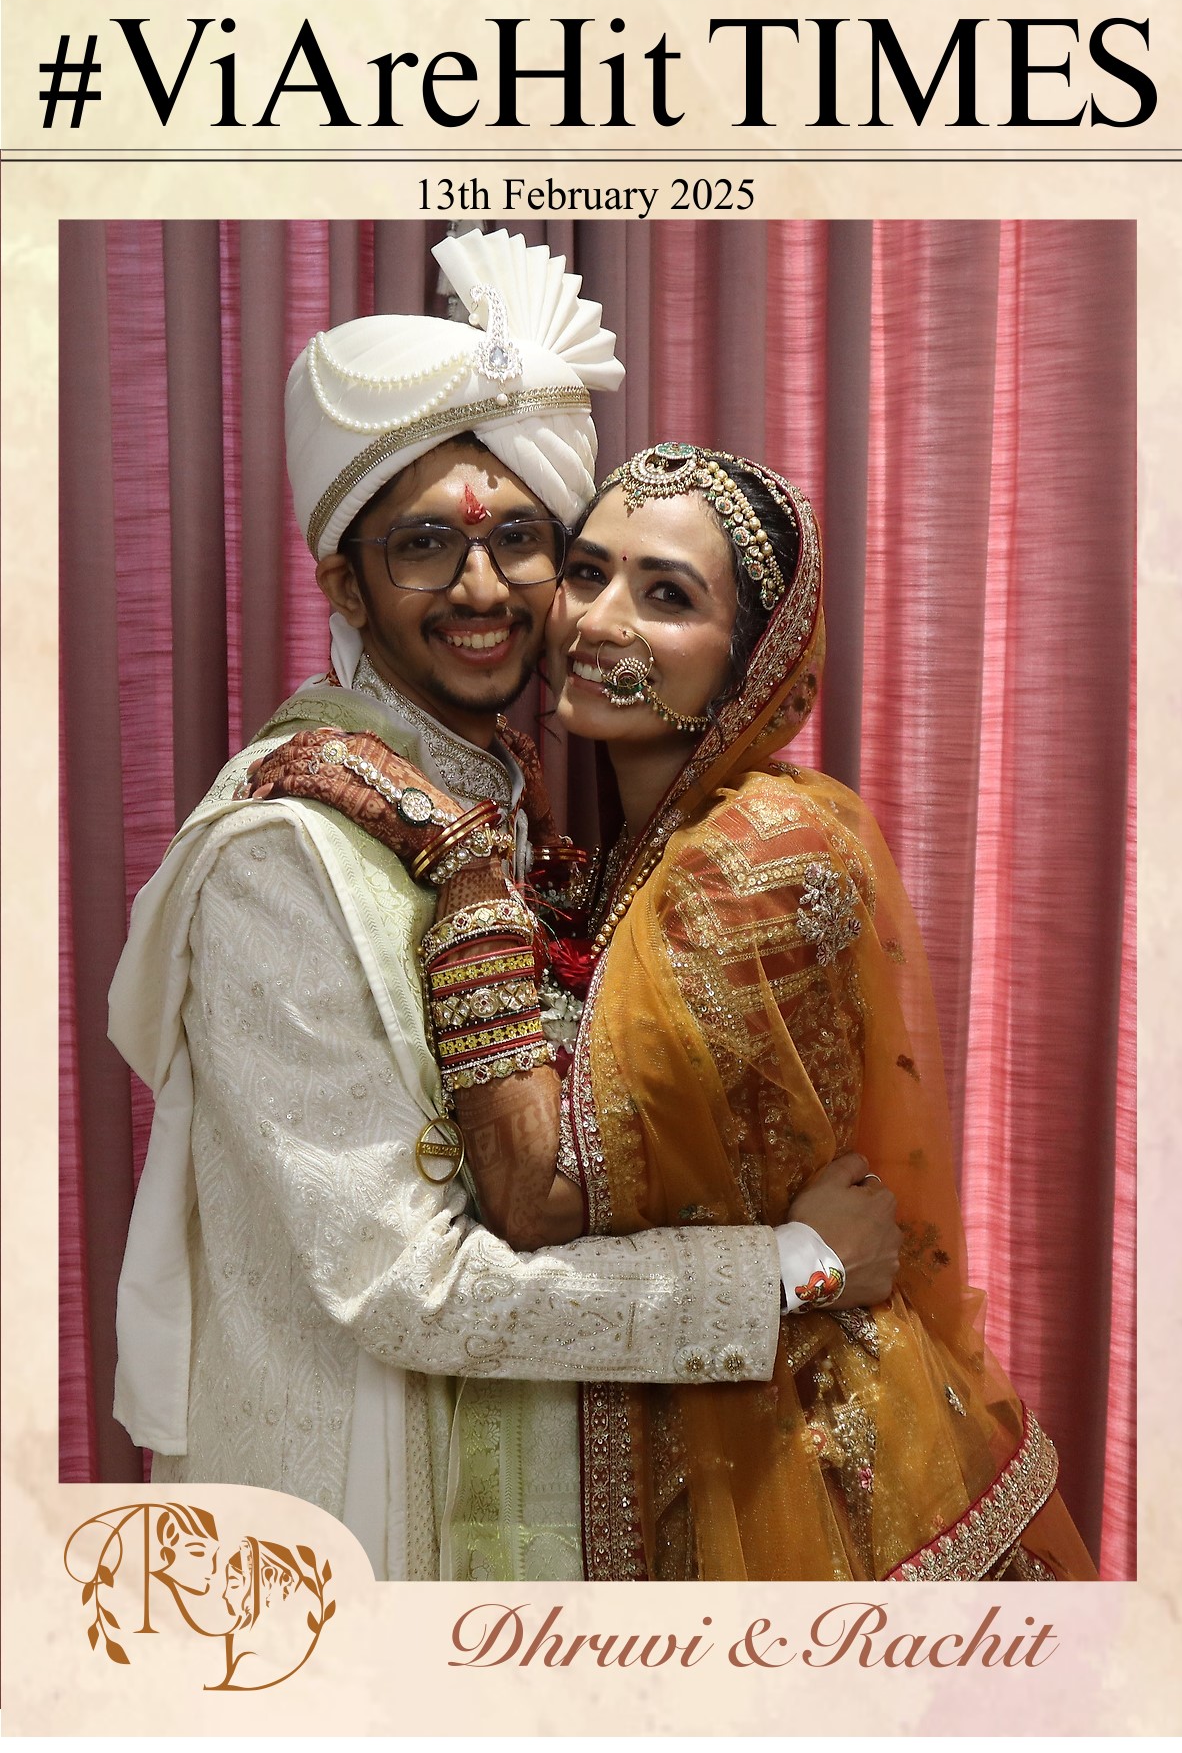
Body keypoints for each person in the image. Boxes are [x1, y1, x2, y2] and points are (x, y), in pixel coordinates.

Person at [109, 233, 899, 1583]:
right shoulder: (283, 855)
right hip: (350, 1515)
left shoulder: (492, 805)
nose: (483, 591)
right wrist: (788, 1272)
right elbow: (404, 1284)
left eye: (520, 540)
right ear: (346, 583)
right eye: (426, 546)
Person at [255, 441, 1098, 1581]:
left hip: (794, 1468)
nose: (597, 622)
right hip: (706, 1419)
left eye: (667, 597)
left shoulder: (751, 859)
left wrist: (461, 879)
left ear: (751, 662)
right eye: (590, 573)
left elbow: (540, 1197)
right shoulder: (641, 857)